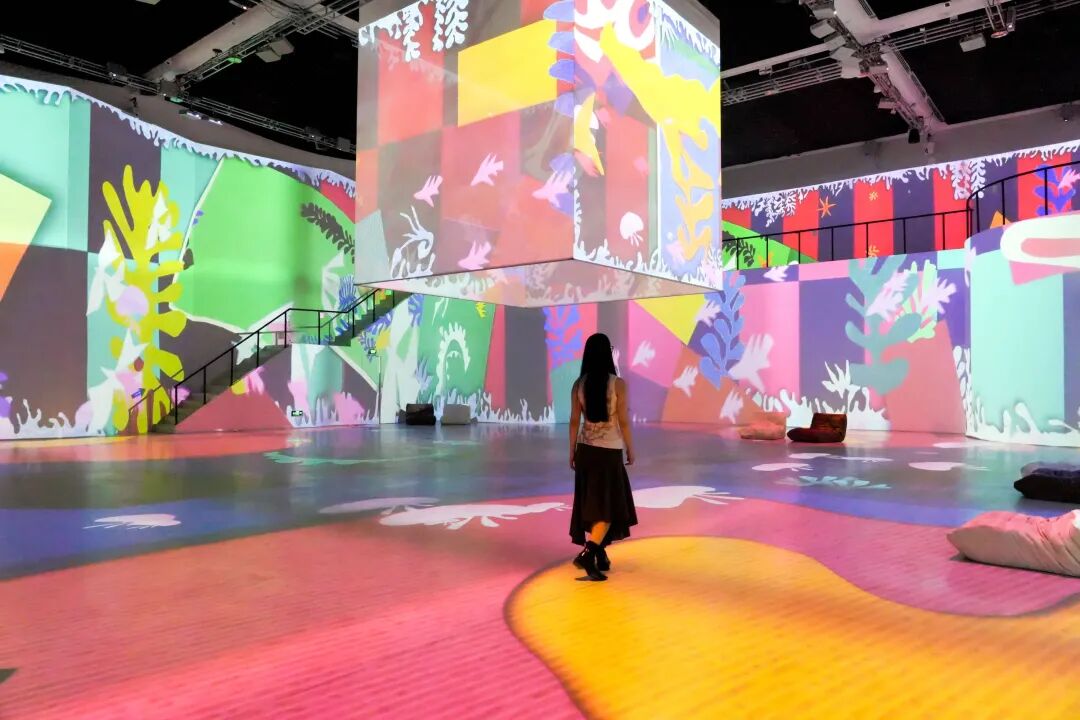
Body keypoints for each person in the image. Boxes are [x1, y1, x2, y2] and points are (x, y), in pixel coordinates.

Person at [568, 333, 638, 581]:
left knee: (593, 505)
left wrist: (572, 451)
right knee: (609, 508)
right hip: (609, 452)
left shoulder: (579, 385)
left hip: (586, 451)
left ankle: (600, 555)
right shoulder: (618, 384)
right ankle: (588, 554)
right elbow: (624, 422)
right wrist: (630, 448)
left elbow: (574, 421)